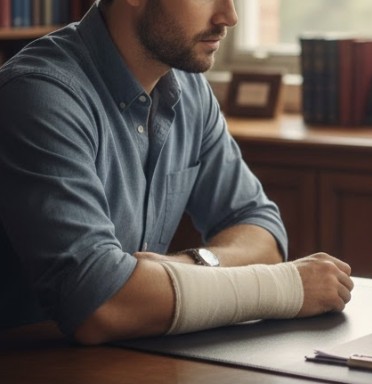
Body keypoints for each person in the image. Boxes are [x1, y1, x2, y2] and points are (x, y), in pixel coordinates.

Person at [0, 0, 353, 344]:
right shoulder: (39, 95)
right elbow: (100, 305)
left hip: (131, 359)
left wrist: (181, 270)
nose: (229, 16)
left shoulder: (188, 87)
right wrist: (286, 288)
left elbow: (261, 231)